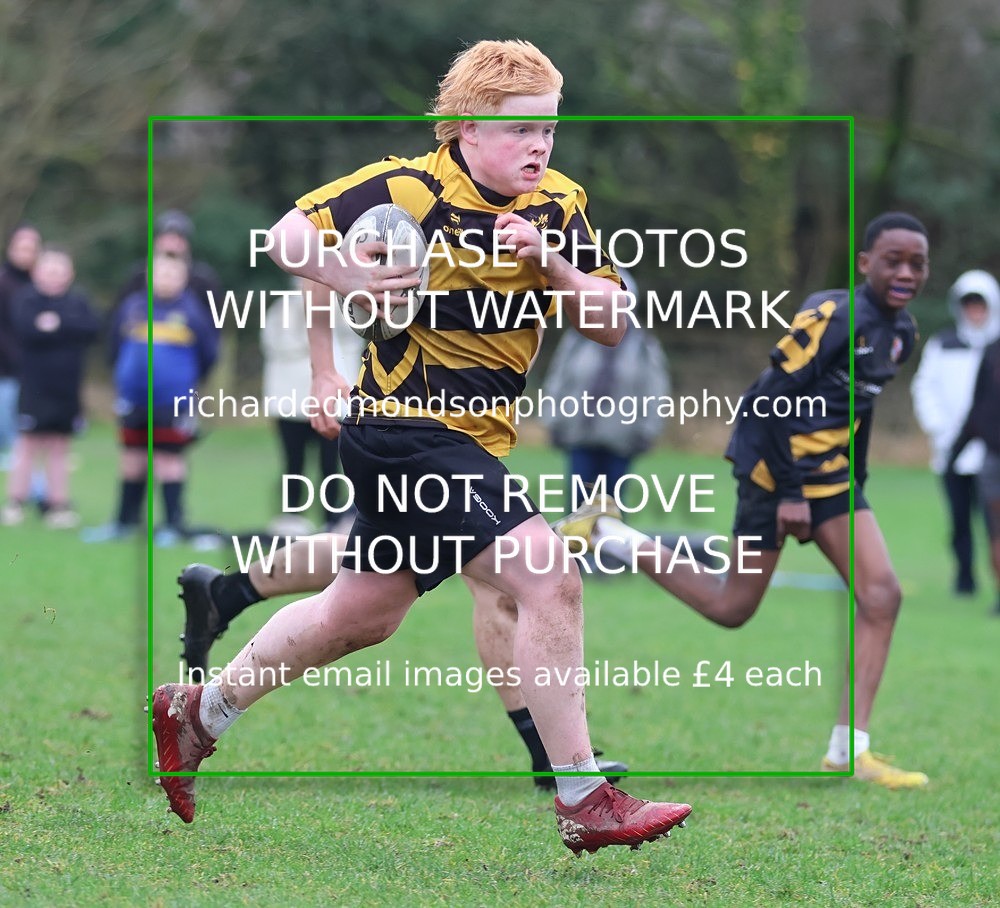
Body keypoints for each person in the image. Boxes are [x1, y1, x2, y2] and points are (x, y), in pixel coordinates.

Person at [151, 39, 692, 853]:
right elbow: (289, 238)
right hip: (403, 429)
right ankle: (584, 797)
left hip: (472, 442)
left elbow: (610, 320)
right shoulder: (410, 185)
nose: (539, 146)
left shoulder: (561, 205)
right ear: (469, 129)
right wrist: (350, 292)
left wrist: (553, 263)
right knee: (551, 574)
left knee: (358, 615)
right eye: (519, 131)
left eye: (549, 128)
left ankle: (198, 712)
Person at [556, 211, 931, 789]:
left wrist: (855, 484)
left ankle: (848, 752)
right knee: (731, 607)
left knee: (882, 596)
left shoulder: (902, 332)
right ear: (864, 264)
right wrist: (788, 493)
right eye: (893, 260)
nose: (906, 271)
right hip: (772, 471)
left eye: (917, 262)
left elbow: (860, 410)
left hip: (832, 482)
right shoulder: (834, 315)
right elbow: (763, 402)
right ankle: (607, 532)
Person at [176, 533, 627, 791]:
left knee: (383, 559)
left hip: (445, 419)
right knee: (481, 577)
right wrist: (324, 373)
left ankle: (226, 595)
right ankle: (547, 753)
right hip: (417, 416)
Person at [83, 253, 218, 544]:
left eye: (173, 274)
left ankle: (173, 525)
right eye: (160, 273)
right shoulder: (132, 307)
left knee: (169, 460)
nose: (166, 279)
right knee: (132, 459)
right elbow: (114, 347)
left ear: (183, 279)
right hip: (133, 399)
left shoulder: (192, 311)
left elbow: (209, 354)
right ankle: (123, 523)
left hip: (173, 401)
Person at [542, 268, 671, 496]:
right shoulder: (576, 340)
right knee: (577, 510)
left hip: (622, 442)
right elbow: (557, 381)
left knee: (612, 511)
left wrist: (647, 431)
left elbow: (656, 392)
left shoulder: (644, 346)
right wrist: (553, 421)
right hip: (580, 437)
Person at [911, 270, 1000, 594]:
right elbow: (925, 387)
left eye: (981, 305)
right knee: (959, 519)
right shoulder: (944, 343)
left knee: (994, 524)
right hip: (952, 446)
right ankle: (965, 577)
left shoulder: (996, 347)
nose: (975, 312)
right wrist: (940, 429)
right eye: (969, 305)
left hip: (992, 449)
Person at [1, 246, 99, 527]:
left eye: (60, 271)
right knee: (27, 445)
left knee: (59, 447)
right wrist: (63, 329)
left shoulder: (77, 303)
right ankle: (15, 502)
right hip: (34, 388)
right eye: (49, 270)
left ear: (70, 274)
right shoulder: (26, 300)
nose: (55, 276)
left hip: (66, 391)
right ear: (38, 273)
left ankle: (58, 505)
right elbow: (27, 330)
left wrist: (57, 324)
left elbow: (91, 329)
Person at [260, 279, 363, 535]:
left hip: (333, 403)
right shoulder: (283, 309)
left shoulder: (347, 305)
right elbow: (276, 343)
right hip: (291, 402)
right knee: (293, 462)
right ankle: (291, 516)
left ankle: (333, 518)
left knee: (331, 464)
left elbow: (355, 339)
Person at [950, 334, 1000, 614]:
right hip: (994, 457)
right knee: (996, 530)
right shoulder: (993, 350)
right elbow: (978, 406)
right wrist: (957, 449)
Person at [0, 224, 43, 471]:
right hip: (6, 371)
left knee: (27, 438)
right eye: (22, 247)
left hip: (34, 374)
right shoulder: (3, 283)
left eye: (32, 249)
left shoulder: (41, 284)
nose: (27, 253)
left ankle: (37, 490)